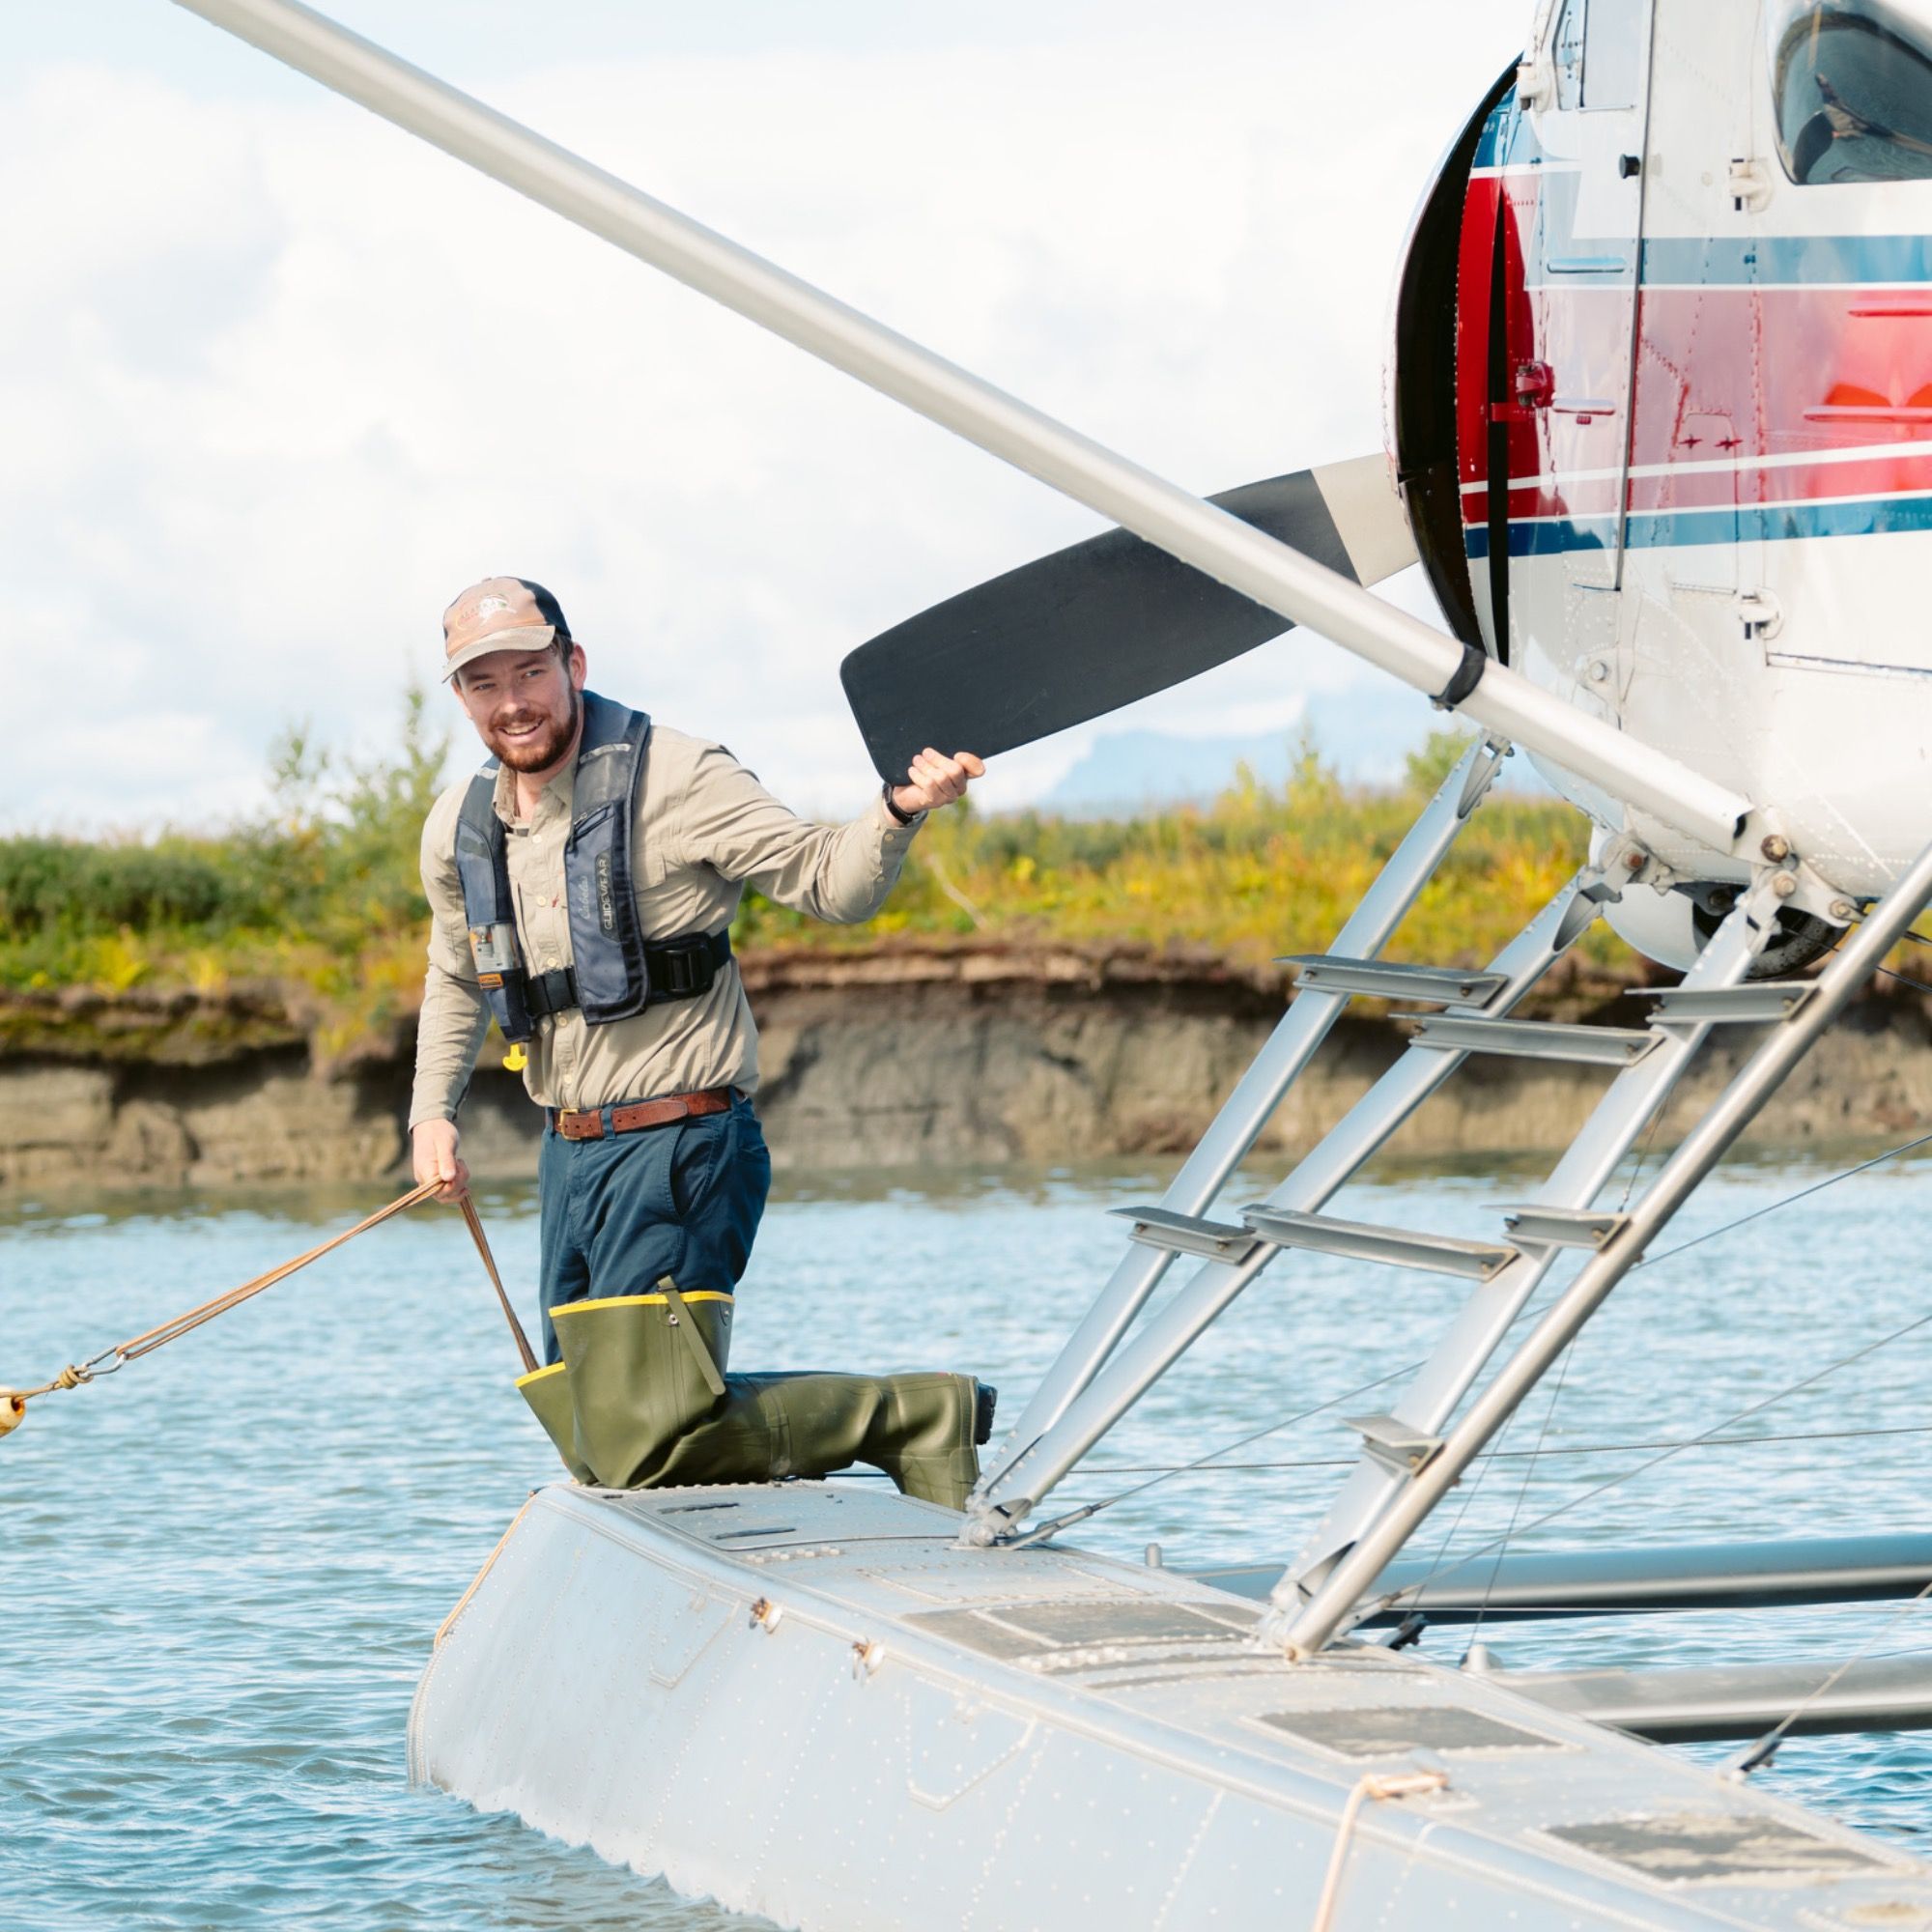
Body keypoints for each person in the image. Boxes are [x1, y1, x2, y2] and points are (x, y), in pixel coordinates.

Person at [409, 576, 983, 1366]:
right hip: (567, 1155)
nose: (511, 701)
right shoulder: (457, 825)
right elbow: (454, 974)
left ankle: (909, 1417)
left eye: (530, 673)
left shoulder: (682, 776)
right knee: (589, 1408)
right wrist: (431, 1114)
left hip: (683, 1144)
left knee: (645, 1404)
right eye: (484, 683)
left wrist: (898, 809)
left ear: (574, 664)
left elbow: (826, 883)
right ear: (463, 698)